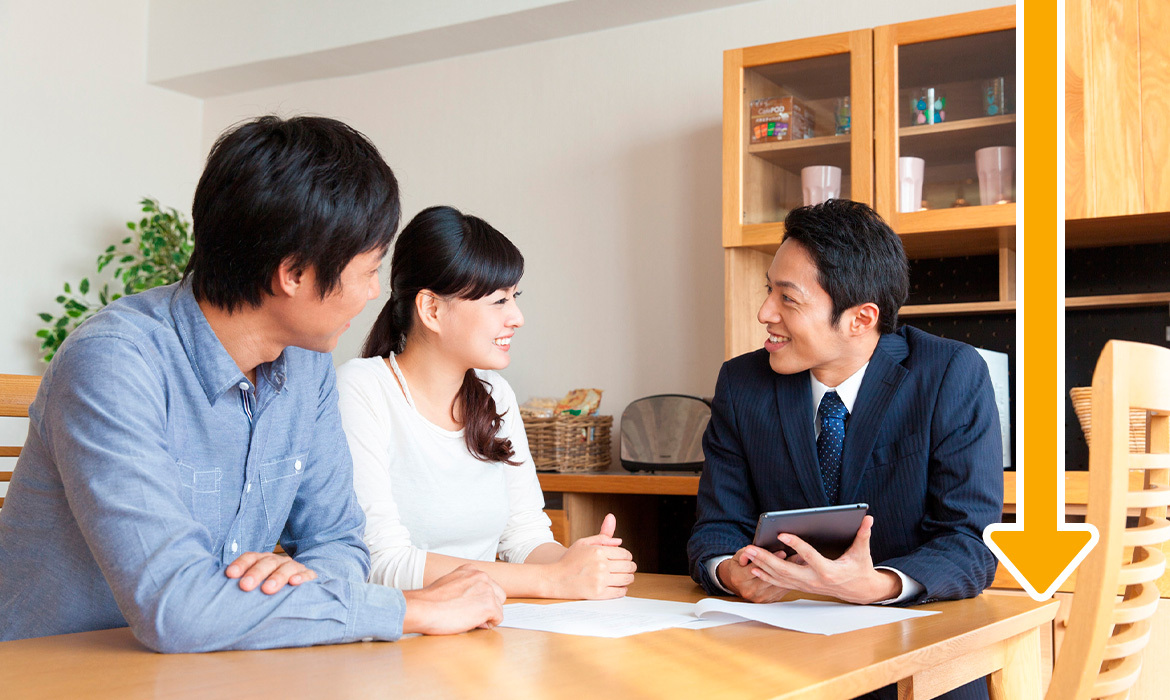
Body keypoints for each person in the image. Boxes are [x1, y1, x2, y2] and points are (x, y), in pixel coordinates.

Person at [0, 116, 504, 650]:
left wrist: (287, 595)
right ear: (293, 274)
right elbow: (177, 609)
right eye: (368, 269)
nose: (376, 291)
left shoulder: (306, 366)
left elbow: (337, 542)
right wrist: (410, 608)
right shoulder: (114, 364)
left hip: (219, 671)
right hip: (57, 672)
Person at [686, 199, 1002, 700]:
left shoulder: (948, 375)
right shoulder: (742, 383)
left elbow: (969, 542)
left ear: (861, 318)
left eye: (788, 299)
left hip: (916, 651)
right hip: (777, 648)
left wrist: (875, 585)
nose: (765, 312)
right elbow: (716, 528)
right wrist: (730, 573)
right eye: (768, 290)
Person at [336, 205, 636, 600]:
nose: (517, 317)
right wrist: (552, 580)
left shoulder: (495, 395)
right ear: (431, 309)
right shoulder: (361, 389)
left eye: (515, 297)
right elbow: (381, 563)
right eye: (498, 301)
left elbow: (525, 536)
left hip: (482, 627)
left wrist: (576, 564)